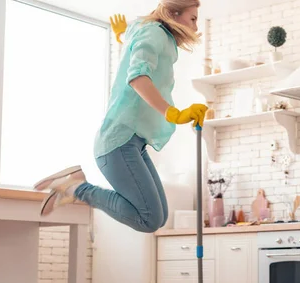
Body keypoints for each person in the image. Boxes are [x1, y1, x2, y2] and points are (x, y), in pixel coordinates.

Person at [33, 0, 208, 233]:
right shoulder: (155, 32)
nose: (195, 27)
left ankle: (74, 184)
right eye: (193, 18)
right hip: (120, 141)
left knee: (160, 216)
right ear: (172, 14)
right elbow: (137, 76)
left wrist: (122, 37)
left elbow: (138, 52)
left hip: (133, 143)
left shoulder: (152, 33)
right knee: (149, 219)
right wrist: (172, 113)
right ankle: (76, 188)